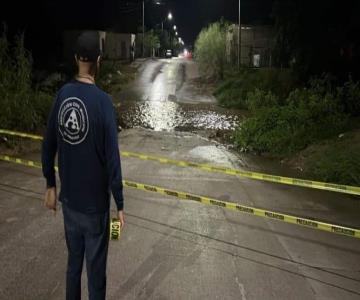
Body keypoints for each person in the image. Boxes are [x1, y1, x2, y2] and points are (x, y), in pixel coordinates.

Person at [41, 31, 125, 300]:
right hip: (95, 210)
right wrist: (120, 205)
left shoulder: (63, 95)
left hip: (70, 205)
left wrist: (50, 185)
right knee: (96, 276)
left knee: (73, 267)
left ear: (76, 58)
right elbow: (113, 159)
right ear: (99, 61)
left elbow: (47, 144)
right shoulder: (103, 102)